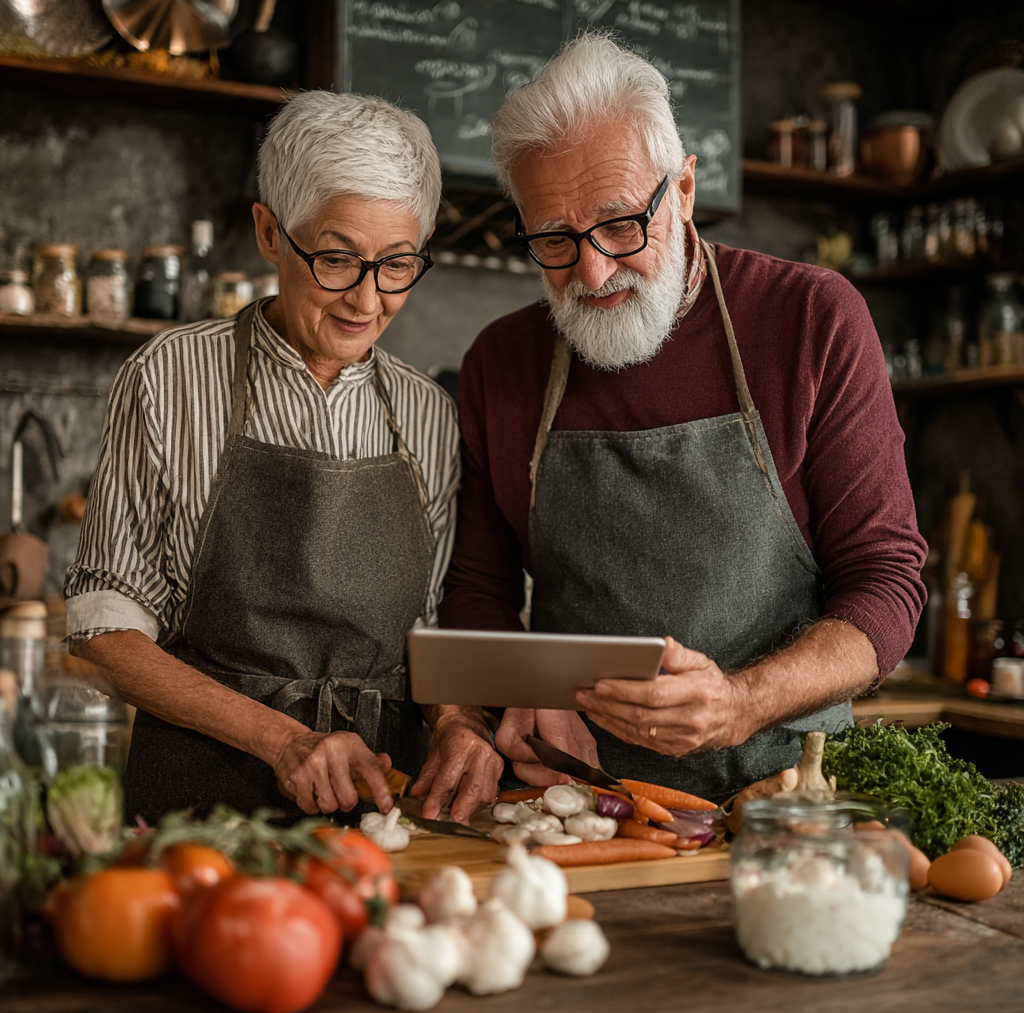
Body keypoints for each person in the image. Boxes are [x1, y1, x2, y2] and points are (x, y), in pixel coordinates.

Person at [439, 35, 927, 804]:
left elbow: (888, 585)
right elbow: (476, 589)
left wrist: (741, 703)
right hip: (577, 803)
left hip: (778, 807)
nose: (591, 272)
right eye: (554, 241)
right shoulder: (501, 363)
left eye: (621, 225)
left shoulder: (812, 320)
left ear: (686, 191)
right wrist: (479, 712)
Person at [66, 91, 502, 825]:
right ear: (270, 232)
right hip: (196, 815)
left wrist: (461, 721)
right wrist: (284, 741)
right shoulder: (169, 376)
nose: (367, 299)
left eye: (396, 264)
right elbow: (103, 633)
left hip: (376, 815)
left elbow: (425, 633)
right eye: (336, 259)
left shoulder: (427, 411)